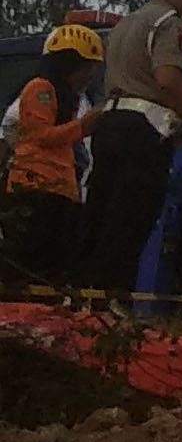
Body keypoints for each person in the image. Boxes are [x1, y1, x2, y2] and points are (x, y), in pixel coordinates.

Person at [80, 0, 182, 302]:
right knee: (130, 223)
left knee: (100, 218)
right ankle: (112, 309)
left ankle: (84, 301)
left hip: (109, 124)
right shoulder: (171, 24)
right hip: (144, 130)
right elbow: (167, 80)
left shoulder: (125, 25)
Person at [6, 22, 102, 287]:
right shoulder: (40, 89)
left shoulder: (71, 99)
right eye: (86, 67)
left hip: (59, 193)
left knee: (56, 267)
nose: (90, 75)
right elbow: (41, 136)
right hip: (35, 190)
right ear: (68, 63)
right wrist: (84, 126)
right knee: (31, 266)